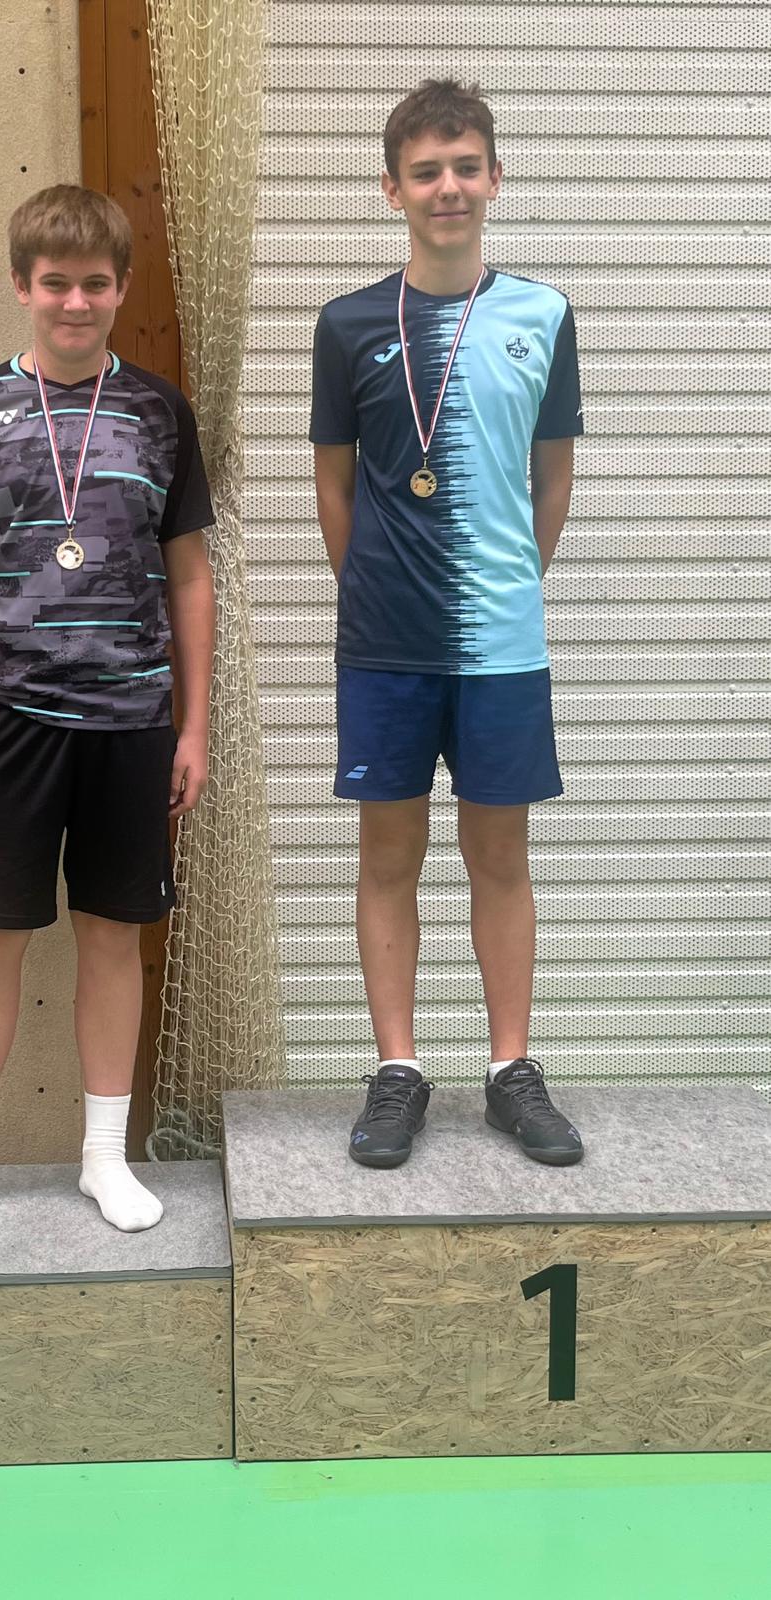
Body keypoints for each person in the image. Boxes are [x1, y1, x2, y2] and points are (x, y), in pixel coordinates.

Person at [0, 185, 215, 1234]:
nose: (76, 302)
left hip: (130, 721)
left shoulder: (159, 412)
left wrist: (194, 726)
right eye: (55, 283)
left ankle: (103, 1158)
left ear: (122, 288)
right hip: (7, 716)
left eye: (95, 284)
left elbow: (190, 576)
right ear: (22, 286)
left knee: (112, 938)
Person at [310, 80, 584, 1170]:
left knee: (498, 857)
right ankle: (398, 1070)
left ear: (495, 178)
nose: (448, 187)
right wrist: (378, 589)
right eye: (426, 171)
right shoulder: (347, 324)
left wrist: (501, 583)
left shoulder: (543, 316)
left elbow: (552, 479)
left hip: (501, 643)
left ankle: (511, 1069)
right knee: (389, 856)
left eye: (466, 166)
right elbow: (335, 485)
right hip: (384, 643)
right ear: (393, 190)